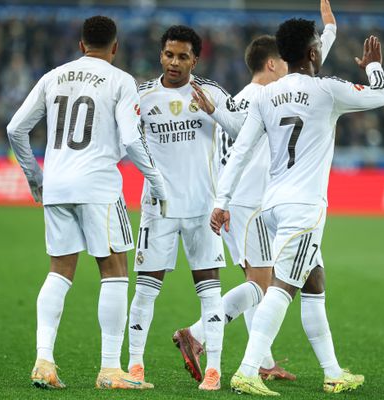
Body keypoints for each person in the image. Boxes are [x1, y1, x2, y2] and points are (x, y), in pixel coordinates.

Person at [212, 19, 384, 396]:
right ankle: (247, 371)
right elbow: (381, 95)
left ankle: (333, 372)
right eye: (319, 46)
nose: (321, 50)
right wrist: (374, 65)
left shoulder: (265, 95)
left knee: (314, 279)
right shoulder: (327, 89)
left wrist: (221, 201)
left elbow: (240, 151)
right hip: (303, 208)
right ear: (312, 53)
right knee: (282, 288)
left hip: (271, 206)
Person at [174, 0, 339, 383]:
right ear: (272, 64)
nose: (293, 67)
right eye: (285, 62)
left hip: (246, 203)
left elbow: (308, 70)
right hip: (248, 205)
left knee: (265, 283)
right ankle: (196, 334)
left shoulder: (258, 95)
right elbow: (240, 132)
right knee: (263, 284)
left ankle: (262, 362)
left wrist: (329, 33)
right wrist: (216, 113)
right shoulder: (257, 98)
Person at [6, 15, 166, 390]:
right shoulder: (120, 80)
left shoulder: (53, 76)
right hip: (98, 187)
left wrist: (35, 177)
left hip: (57, 185)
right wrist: (157, 181)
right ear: (115, 47)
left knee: (59, 271)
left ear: (81, 45)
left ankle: (44, 361)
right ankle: (110, 370)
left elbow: (15, 128)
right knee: (115, 271)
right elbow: (131, 139)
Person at [126, 25, 244, 391]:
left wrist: (215, 112)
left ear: (195, 60)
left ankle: (214, 371)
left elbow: (244, 132)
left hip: (202, 209)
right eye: (169, 55)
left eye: (182, 57)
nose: (174, 62)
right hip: (157, 208)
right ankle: (134, 366)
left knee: (209, 291)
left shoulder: (211, 92)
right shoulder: (143, 96)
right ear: (160, 55)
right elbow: (124, 140)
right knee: (145, 290)